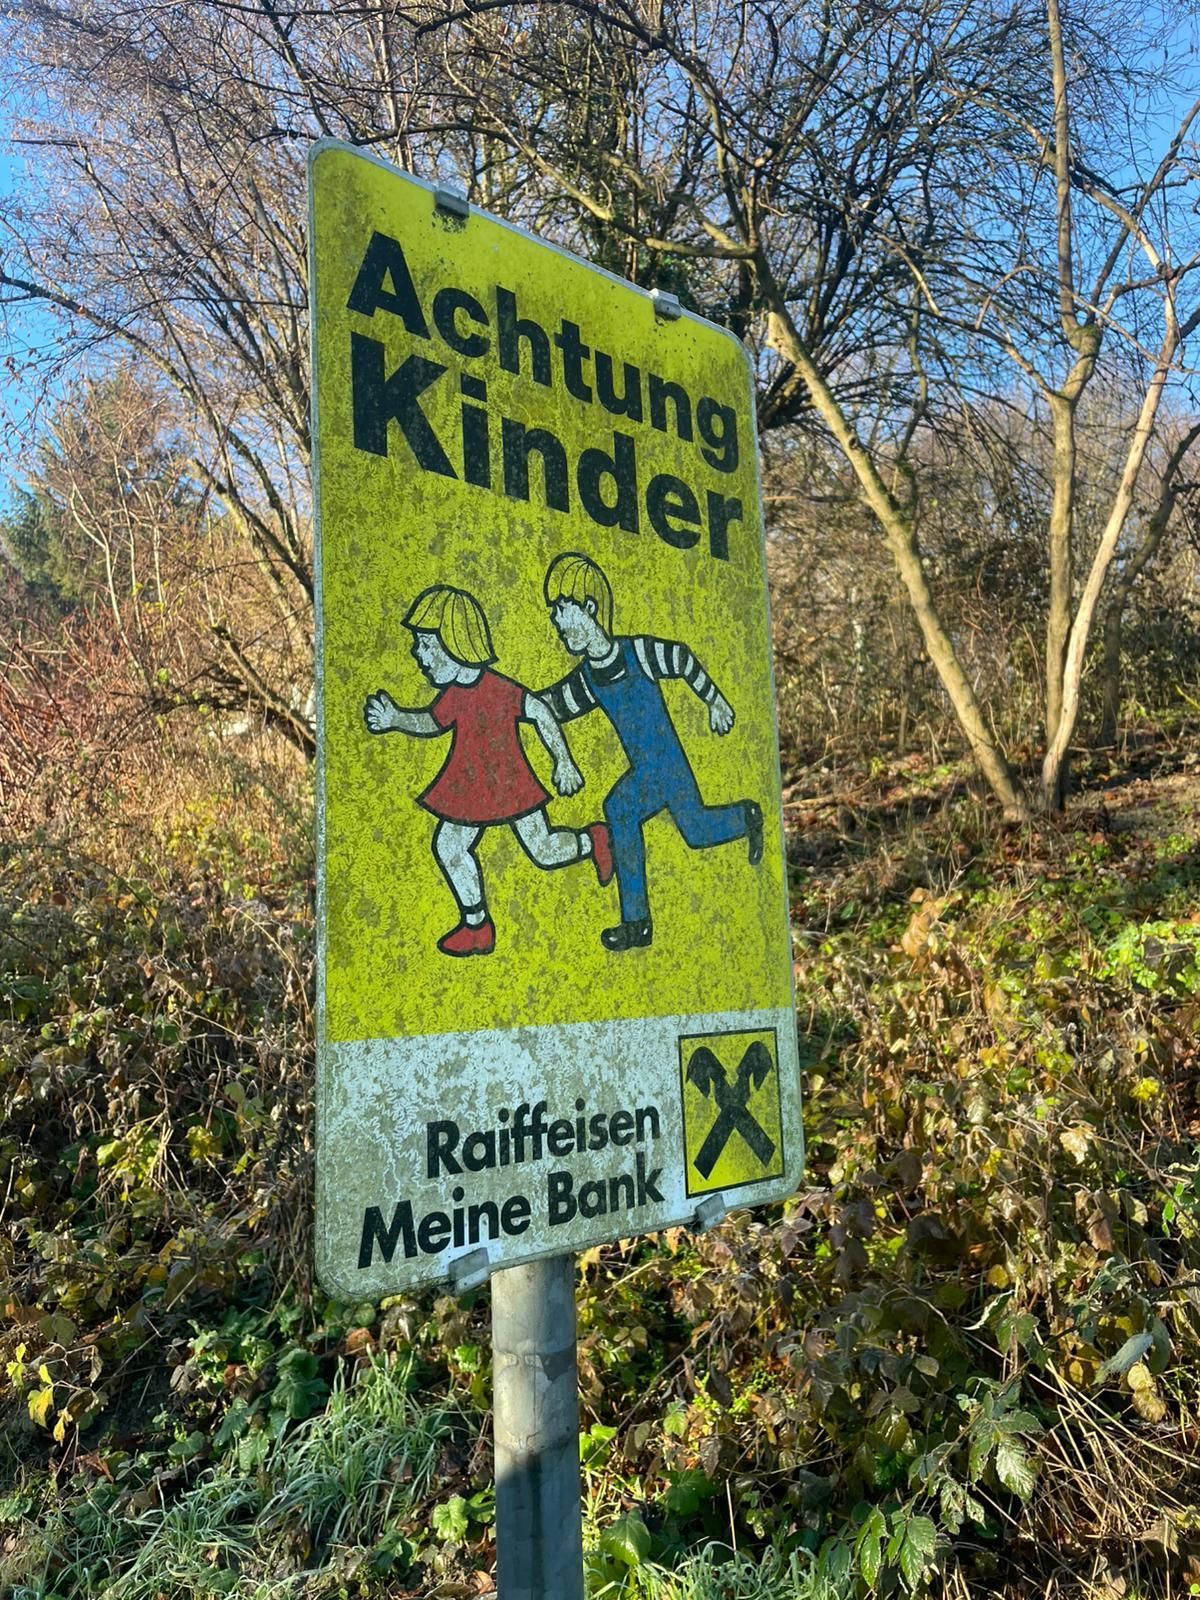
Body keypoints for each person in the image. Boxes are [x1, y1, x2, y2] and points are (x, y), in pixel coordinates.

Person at [364, 583, 613, 957]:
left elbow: (540, 711)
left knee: (544, 851)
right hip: (471, 786)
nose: (419, 654)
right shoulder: (452, 695)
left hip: (511, 784)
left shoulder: (497, 688)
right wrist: (397, 718)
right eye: (419, 645)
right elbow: (432, 722)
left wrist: (563, 760)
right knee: (449, 846)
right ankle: (477, 925)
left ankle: (593, 841)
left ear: (455, 641)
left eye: (427, 645)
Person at [541, 552, 762, 951]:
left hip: (667, 765)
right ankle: (744, 818)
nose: (556, 621)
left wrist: (715, 700)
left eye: (562, 609)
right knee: (682, 826)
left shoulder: (637, 652)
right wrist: (513, 705)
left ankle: (638, 921)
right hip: (650, 769)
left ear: (590, 608)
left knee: (647, 817)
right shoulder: (589, 678)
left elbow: (680, 658)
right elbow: (553, 703)